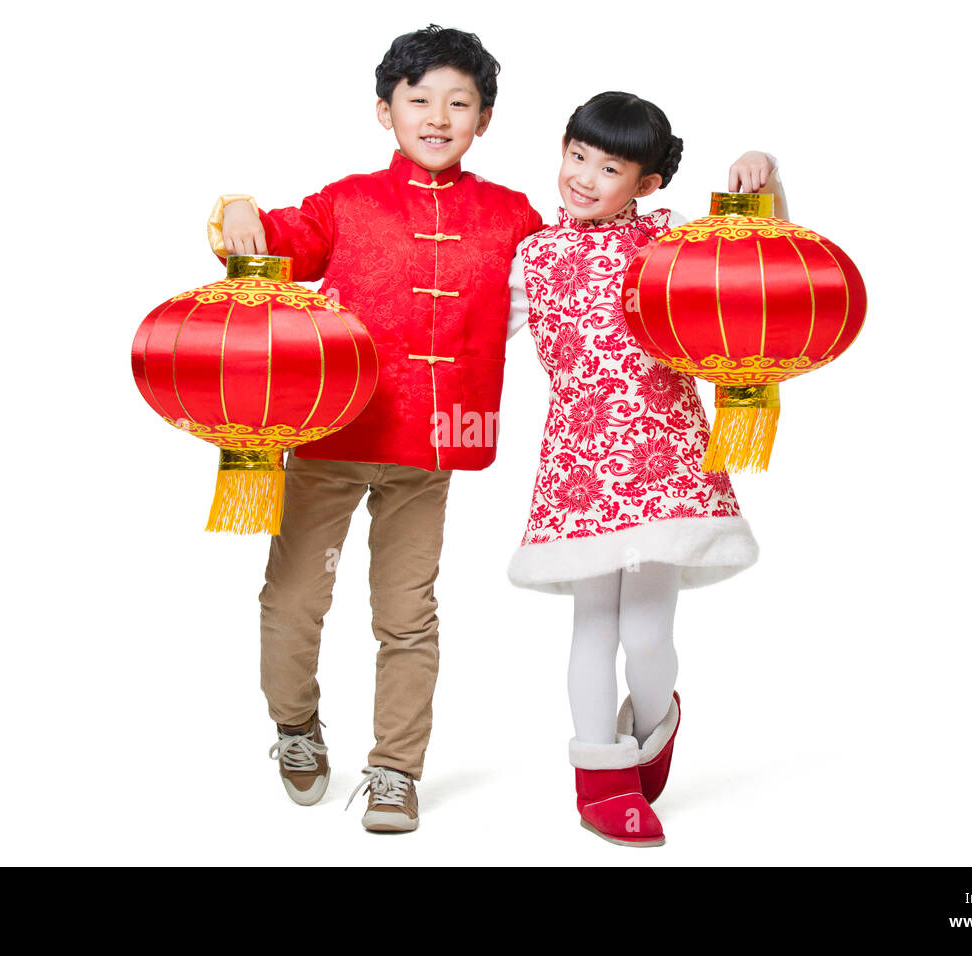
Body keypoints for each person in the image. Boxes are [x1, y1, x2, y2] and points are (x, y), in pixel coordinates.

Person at [208, 25, 544, 833]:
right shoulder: (350, 201)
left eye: (458, 102)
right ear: (385, 111)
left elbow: (576, 264)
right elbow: (277, 240)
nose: (437, 116)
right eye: (418, 99)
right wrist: (240, 209)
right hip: (330, 439)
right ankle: (294, 727)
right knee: (293, 599)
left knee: (408, 613)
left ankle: (395, 769)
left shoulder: (510, 215)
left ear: (484, 119)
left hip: (433, 445)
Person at [506, 90, 787, 846]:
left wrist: (765, 179)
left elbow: (766, 264)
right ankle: (601, 778)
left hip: (664, 454)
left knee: (649, 629)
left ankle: (656, 726)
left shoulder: (670, 242)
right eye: (576, 156)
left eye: (609, 167)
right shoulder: (533, 255)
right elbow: (468, 341)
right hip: (578, 463)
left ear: (648, 184)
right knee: (593, 621)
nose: (585, 177)